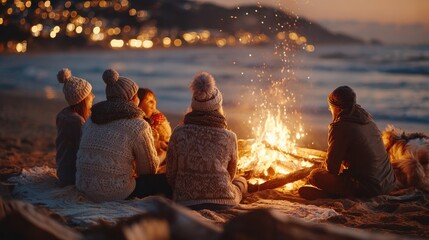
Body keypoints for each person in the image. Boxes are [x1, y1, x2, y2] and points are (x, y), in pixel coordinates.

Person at [76, 69, 171, 202]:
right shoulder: (138, 125)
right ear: (132, 99)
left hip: (83, 187)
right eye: (136, 95)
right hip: (116, 193)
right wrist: (164, 154)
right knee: (167, 180)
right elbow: (147, 171)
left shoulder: (91, 119)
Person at [166, 71, 247, 210]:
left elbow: (171, 173)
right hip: (223, 202)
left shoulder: (179, 132)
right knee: (241, 182)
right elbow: (231, 174)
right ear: (218, 106)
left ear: (194, 106)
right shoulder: (229, 136)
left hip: (184, 201)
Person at [299, 86, 396, 200]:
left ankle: (333, 196)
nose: (331, 111)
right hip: (389, 183)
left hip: (370, 188)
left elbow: (332, 169)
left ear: (338, 109)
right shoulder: (368, 120)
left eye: (330, 108)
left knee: (315, 176)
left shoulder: (340, 127)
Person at [55, 68, 94, 186]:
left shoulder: (64, 115)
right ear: (82, 100)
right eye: (89, 94)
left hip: (63, 171)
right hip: (71, 176)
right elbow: (86, 151)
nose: (93, 96)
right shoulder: (76, 121)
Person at [137, 88, 172, 169]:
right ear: (137, 103)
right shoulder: (140, 127)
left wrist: (160, 143)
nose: (154, 105)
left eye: (154, 101)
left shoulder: (153, 121)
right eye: (150, 102)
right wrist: (164, 154)